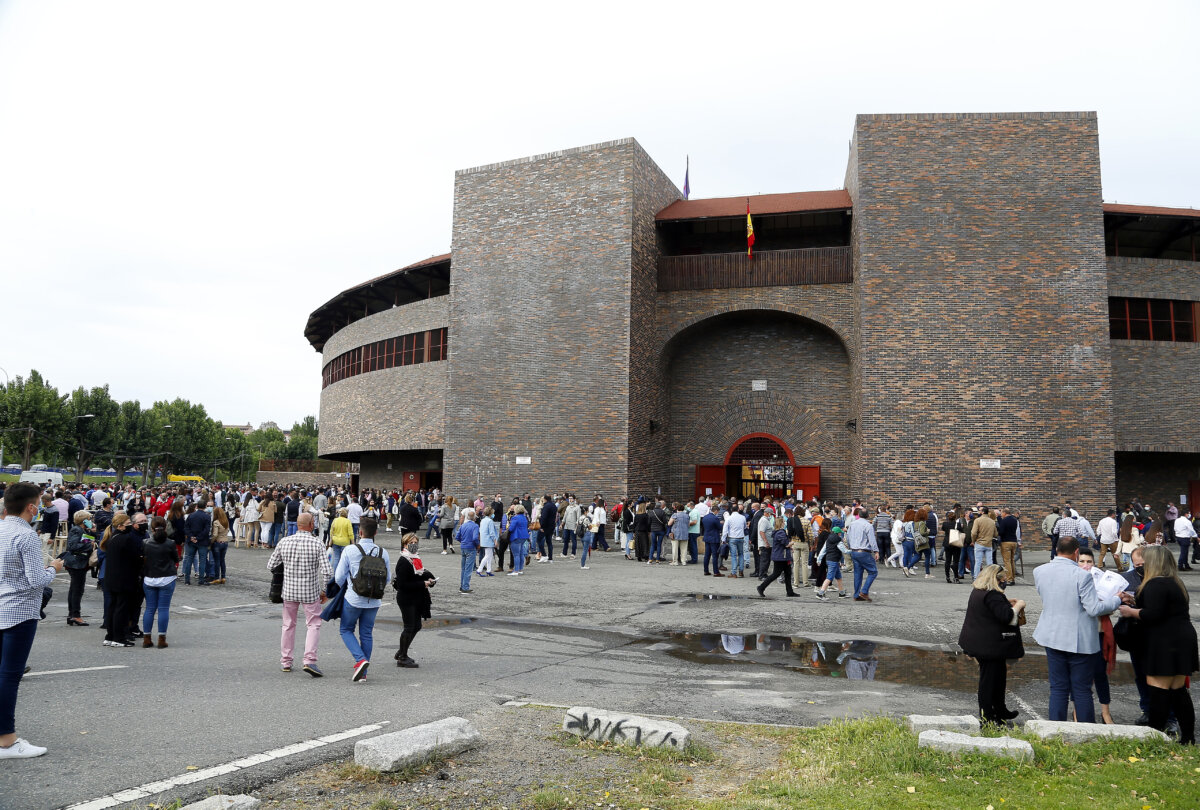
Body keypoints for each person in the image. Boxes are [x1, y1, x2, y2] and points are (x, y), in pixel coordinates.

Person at [1032, 537, 1126, 722]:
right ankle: (1085, 731)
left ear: (1056, 549)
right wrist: (1116, 599)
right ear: (1076, 552)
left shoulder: (1039, 571)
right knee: (1081, 688)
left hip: (1051, 634)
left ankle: (1055, 729)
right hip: (1079, 639)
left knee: (1058, 688)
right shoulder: (1082, 576)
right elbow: (1094, 609)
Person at [0, 483, 63, 758]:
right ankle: (7, 740)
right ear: (31, 507)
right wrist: (54, 568)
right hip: (20, 610)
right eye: (38, 503)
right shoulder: (26, 535)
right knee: (9, 676)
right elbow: (37, 580)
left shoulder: (2, 529)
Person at [1117, 545, 1197, 744]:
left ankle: (1155, 738)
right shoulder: (1174, 582)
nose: (1141, 565)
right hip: (1181, 639)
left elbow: (1153, 614)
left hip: (1164, 642)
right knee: (1178, 690)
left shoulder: (1155, 583)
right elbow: (1161, 607)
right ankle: (1188, 738)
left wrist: (1131, 611)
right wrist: (1134, 601)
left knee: (1158, 691)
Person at [958, 564, 1026, 724]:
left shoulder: (980, 591)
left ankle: (1000, 709)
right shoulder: (992, 595)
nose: (1005, 581)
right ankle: (987, 717)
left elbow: (990, 608)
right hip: (989, 646)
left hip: (981, 642)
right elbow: (1007, 617)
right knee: (989, 681)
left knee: (998, 677)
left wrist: (1005, 602)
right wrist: (1019, 605)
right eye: (1004, 578)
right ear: (997, 579)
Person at [267, 513, 332, 677]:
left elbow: (271, 565)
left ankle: (286, 661)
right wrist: (325, 590)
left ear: (297, 524)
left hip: (289, 590)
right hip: (310, 591)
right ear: (311, 525)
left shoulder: (284, 541)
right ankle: (309, 660)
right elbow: (327, 571)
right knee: (313, 624)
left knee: (288, 625)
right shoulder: (317, 543)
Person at [335, 516, 391, 683]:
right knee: (366, 633)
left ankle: (360, 660)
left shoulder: (350, 550)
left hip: (354, 597)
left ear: (359, 532)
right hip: (374, 599)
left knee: (346, 629)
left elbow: (339, 577)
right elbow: (388, 578)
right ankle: (363, 673)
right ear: (375, 533)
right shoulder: (383, 552)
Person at [104, 511, 147, 647]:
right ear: (120, 526)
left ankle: (110, 636)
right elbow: (135, 558)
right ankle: (118, 637)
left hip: (111, 578)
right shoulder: (126, 539)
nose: (129, 526)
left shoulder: (113, 538)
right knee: (121, 609)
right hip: (124, 579)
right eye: (128, 523)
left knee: (112, 607)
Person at [394, 533, 435, 668]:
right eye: (410, 543)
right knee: (409, 627)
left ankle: (402, 651)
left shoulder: (415, 558)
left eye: (415, 542)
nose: (413, 545)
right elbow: (402, 585)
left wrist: (430, 580)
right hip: (407, 598)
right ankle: (402, 657)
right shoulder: (404, 560)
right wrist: (422, 584)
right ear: (404, 544)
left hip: (417, 597)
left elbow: (420, 574)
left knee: (417, 626)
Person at [141, 516, 178, 649]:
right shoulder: (170, 543)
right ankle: (161, 639)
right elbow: (176, 558)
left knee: (149, 609)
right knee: (163, 609)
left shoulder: (145, 542)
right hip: (167, 578)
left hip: (150, 577)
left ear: (152, 528)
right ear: (165, 527)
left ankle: (147, 638)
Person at [64, 510, 95, 626]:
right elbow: (72, 546)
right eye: (89, 519)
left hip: (79, 563)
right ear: (84, 520)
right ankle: (75, 615)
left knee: (75, 589)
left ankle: (72, 614)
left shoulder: (83, 530)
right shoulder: (76, 529)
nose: (91, 521)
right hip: (76, 563)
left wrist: (92, 532)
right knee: (77, 590)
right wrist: (89, 545)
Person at [757, 516, 799, 597]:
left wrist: (789, 546)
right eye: (783, 521)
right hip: (781, 557)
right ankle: (761, 587)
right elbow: (786, 544)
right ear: (781, 523)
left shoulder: (778, 532)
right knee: (776, 574)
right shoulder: (780, 533)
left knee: (787, 573)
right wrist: (793, 542)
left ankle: (790, 591)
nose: (784, 523)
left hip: (782, 556)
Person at [846, 507, 879, 602]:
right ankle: (864, 591)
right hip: (864, 551)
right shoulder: (868, 525)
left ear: (859, 515)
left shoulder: (852, 524)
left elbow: (848, 537)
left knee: (857, 573)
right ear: (868, 516)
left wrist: (850, 546)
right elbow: (872, 540)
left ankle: (856, 594)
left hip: (854, 551)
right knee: (873, 571)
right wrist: (876, 551)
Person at [814, 518, 847, 600]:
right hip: (834, 560)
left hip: (829, 559)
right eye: (840, 532)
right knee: (829, 577)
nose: (840, 534)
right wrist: (852, 551)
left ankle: (841, 593)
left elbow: (823, 550)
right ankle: (820, 593)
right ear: (838, 533)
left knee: (838, 577)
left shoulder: (828, 538)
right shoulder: (838, 540)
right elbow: (844, 550)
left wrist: (819, 559)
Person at [182, 502, 212, 586]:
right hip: (202, 541)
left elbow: (186, 527)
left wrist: (191, 537)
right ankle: (201, 580)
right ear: (205, 506)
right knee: (202, 560)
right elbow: (206, 530)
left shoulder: (191, 515)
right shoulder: (207, 516)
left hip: (191, 540)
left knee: (189, 559)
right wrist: (198, 538)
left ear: (197, 506)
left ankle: (187, 580)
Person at [721, 504, 748, 578]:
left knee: (733, 555)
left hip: (732, 538)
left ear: (731, 510)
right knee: (741, 554)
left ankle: (734, 572)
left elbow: (725, 530)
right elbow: (745, 527)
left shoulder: (729, 518)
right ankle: (741, 571)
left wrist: (723, 539)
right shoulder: (743, 517)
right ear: (738, 510)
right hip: (741, 537)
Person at [970, 507, 998, 578]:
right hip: (988, 544)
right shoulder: (992, 521)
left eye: (980, 510)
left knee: (978, 562)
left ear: (982, 512)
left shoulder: (977, 520)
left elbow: (973, 533)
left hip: (979, 543)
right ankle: (990, 578)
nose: (978, 511)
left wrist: (973, 540)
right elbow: (995, 534)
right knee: (990, 563)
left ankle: (976, 578)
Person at [456, 508, 479, 592]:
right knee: (468, 569)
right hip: (471, 547)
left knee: (463, 568)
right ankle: (465, 587)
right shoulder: (475, 526)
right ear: (474, 518)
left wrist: (463, 541)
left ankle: (462, 586)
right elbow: (475, 538)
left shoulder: (463, 525)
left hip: (463, 547)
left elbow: (457, 537)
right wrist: (478, 545)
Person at [996, 507, 1020, 585]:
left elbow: (1001, 532)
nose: (1001, 515)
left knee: (1007, 561)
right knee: (1012, 560)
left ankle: (1009, 579)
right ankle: (1013, 577)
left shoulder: (1004, 520)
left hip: (1006, 542)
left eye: (1001, 513)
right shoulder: (1015, 520)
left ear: (1004, 513)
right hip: (1014, 541)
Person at [210, 507, 230, 584]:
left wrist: (211, 541)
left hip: (218, 542)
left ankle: (217, 577)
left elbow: (215, 534)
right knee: (222, 560)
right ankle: (223, 577)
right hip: (225, 542)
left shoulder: (216, 522)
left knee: (217, 561)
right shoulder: (226, 521)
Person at [506, 505, 528, 575]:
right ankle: (520, 569)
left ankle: (516, 570)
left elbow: (511, 528)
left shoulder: (515, 518)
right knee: (521, 553)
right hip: (524, 536)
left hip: (516, 536)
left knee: (516, 555)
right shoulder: (524, 517)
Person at [477, 505, 498, 577]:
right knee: (487, 556)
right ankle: (479, 569)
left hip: (484, 540)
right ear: (490, 513)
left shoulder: (482, 520)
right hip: (489, 541)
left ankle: (489, 570)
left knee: (490, 555)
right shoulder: (490, 521)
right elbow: (492, 533)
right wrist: (495, 541)